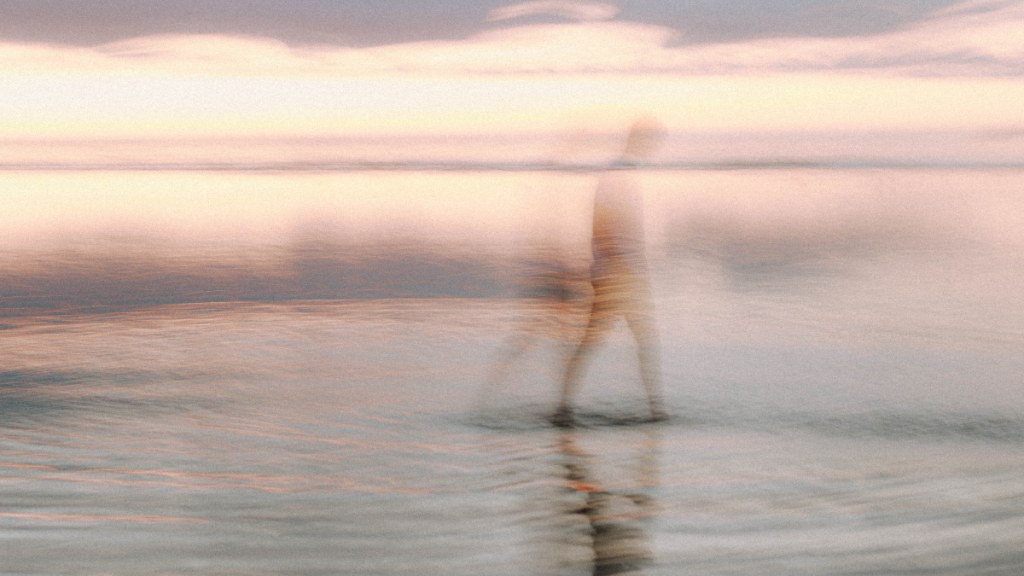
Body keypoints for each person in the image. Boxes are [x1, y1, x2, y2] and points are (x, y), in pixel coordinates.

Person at [551, 117, 667, 427]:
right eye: (650, 141)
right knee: (598, 341)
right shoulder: (617, 175)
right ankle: (564, 408)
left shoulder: (623, 174)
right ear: (638, 140)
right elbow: (601, 226)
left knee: (636, 340)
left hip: (622, 273)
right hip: (617, 275)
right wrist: (620, 267)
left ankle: (655, 409)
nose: (653, 148)